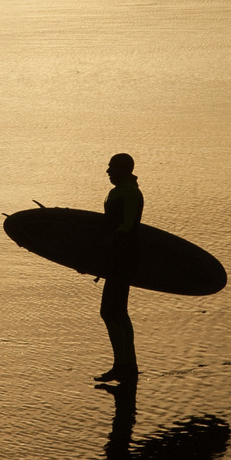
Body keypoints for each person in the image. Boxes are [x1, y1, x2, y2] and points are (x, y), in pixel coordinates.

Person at [95, 153, 143, 384]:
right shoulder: (121, 190)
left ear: (122, 170)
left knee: (111, 311)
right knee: (117, 312)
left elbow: (128, 223)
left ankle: (124, 366)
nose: (107, 171)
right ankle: (126, 366)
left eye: (111, 167)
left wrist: (113, 241)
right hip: (117, 257)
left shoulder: (131, 192)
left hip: (123, 258)